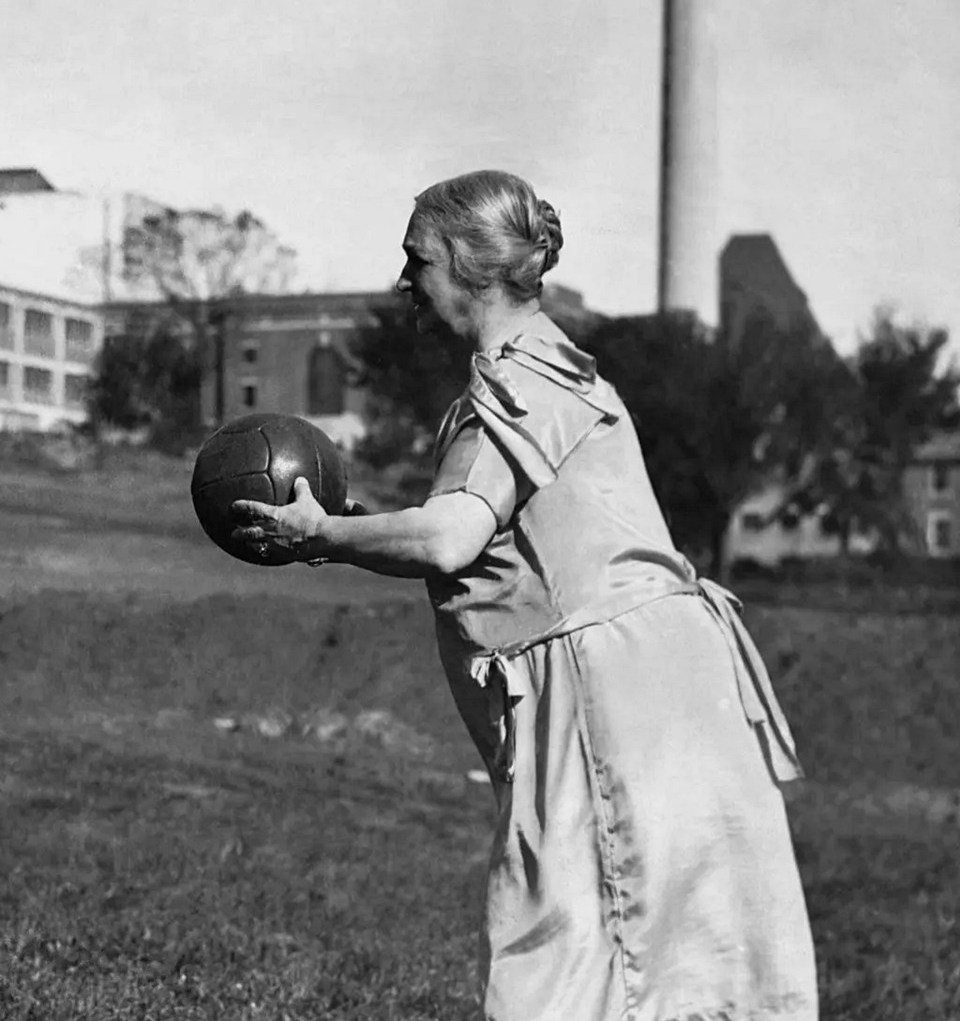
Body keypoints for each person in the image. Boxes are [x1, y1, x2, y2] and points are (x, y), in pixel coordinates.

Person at [233, 170, 818, 1021]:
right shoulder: (566, 372)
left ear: (472, 265)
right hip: (666, 685)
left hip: (611, 699)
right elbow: (473, 544)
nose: (406, 284)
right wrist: (352, 527)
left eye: (417, 261)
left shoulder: (512, 385)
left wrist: (316, 535)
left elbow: (446, 537)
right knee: (680, 964)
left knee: (571, 971)